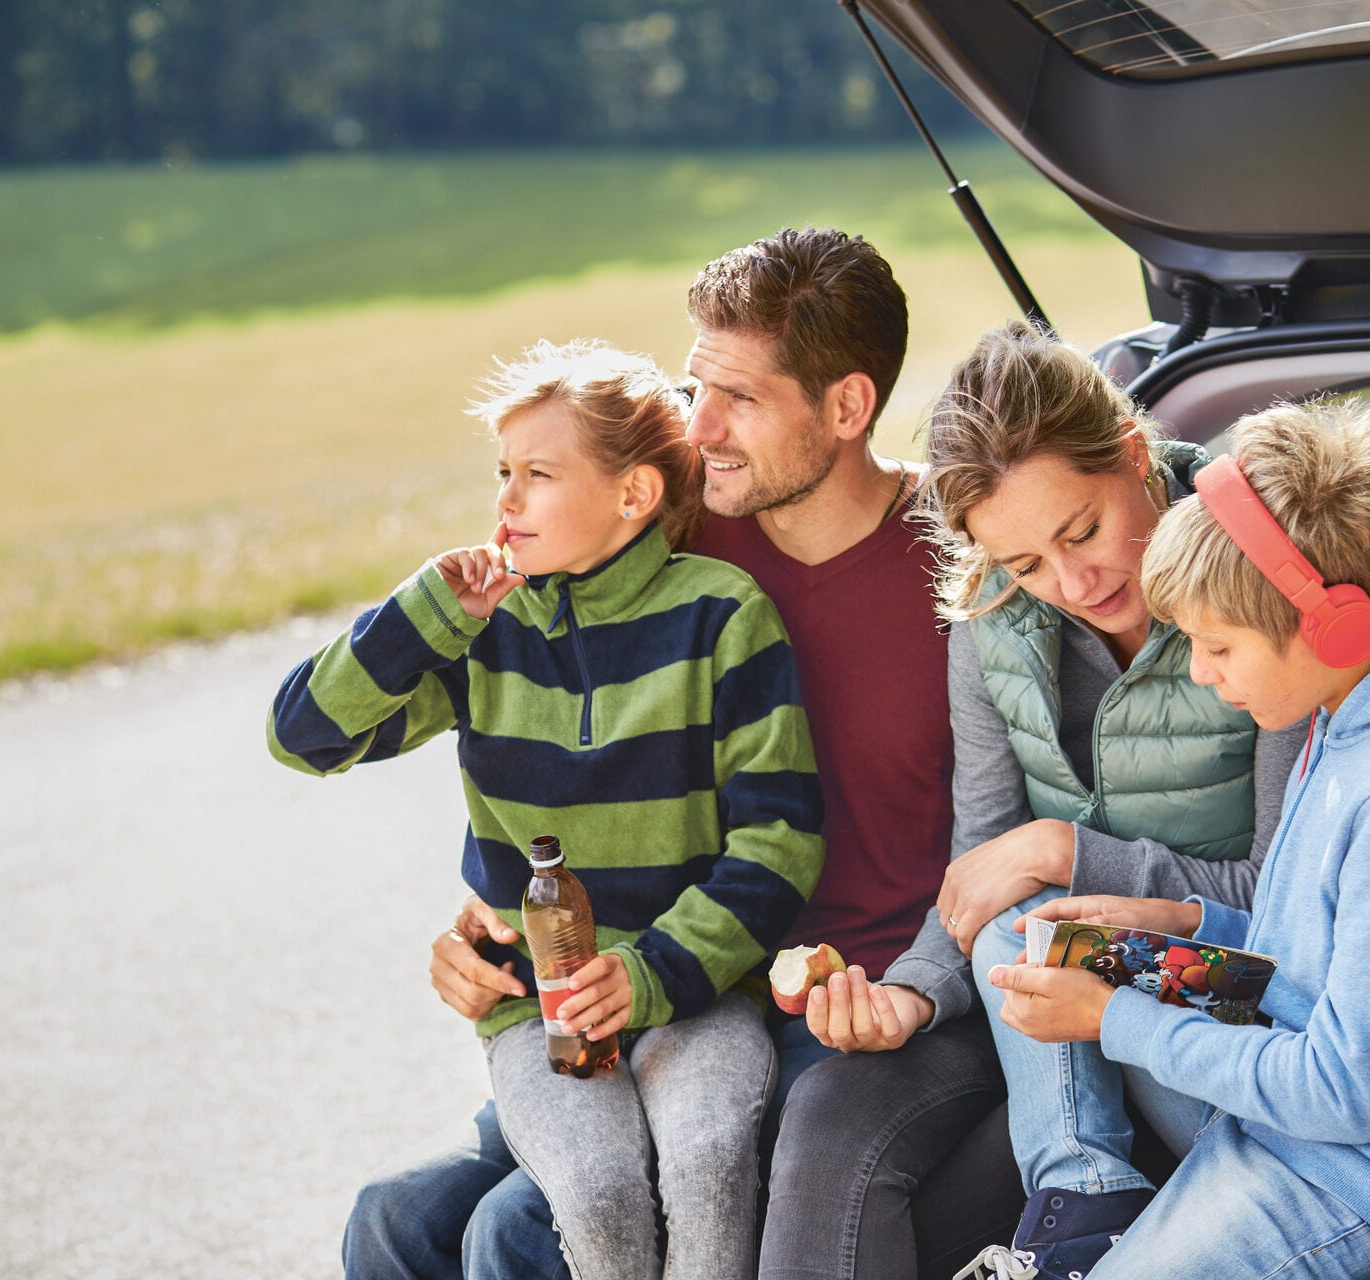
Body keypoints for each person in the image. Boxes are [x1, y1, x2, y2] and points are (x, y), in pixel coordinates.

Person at [342, 228, 962, 1280]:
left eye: (740, 399)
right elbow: (536, 732)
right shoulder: (670, 544)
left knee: (510, 1235)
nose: (697, 426)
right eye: (691, 385)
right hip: (663, 979)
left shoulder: (964, 563)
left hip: (845, 998)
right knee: (393, 1221)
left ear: (848, 408)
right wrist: (489, 914)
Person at [268, 339, 826, 1280]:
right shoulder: (485, 637)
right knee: (587, 1189)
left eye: (537, 474)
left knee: (703, 1154)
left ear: (633, 496)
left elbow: (778, 842)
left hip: (697, 993)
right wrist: (422, 611)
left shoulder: (722, 617)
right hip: (539, 1013)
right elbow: (304, 736)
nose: (506, 502)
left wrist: (648, 974)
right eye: (502, 474)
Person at [758, 321, 1305, 1280]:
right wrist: (913, 996)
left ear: (1136, 457)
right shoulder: (990, 626)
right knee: (832, 1111)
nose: (1073, 583)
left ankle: (1086, 1204)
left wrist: (1064, 851)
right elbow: (983, 868)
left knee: (1035, 921)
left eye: (1082, 530)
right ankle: (1081, 1206)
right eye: (1024, 565)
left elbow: (1288, 902)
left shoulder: (1253, 589)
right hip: (1058, 1002)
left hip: (1233, 1003)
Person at [963, 400, 1370, 1280]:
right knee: (1036, 935)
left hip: (1334, 1175)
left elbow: (1346, 1091)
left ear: (1331, 624)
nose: (1199, 671)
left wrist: (1117, 1018)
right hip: (1274, 1104)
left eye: (1217, 646)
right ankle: (1090, 1211)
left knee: (1090, 986)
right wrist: (1184, 924)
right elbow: (1309, 963)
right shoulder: (1341, 717)